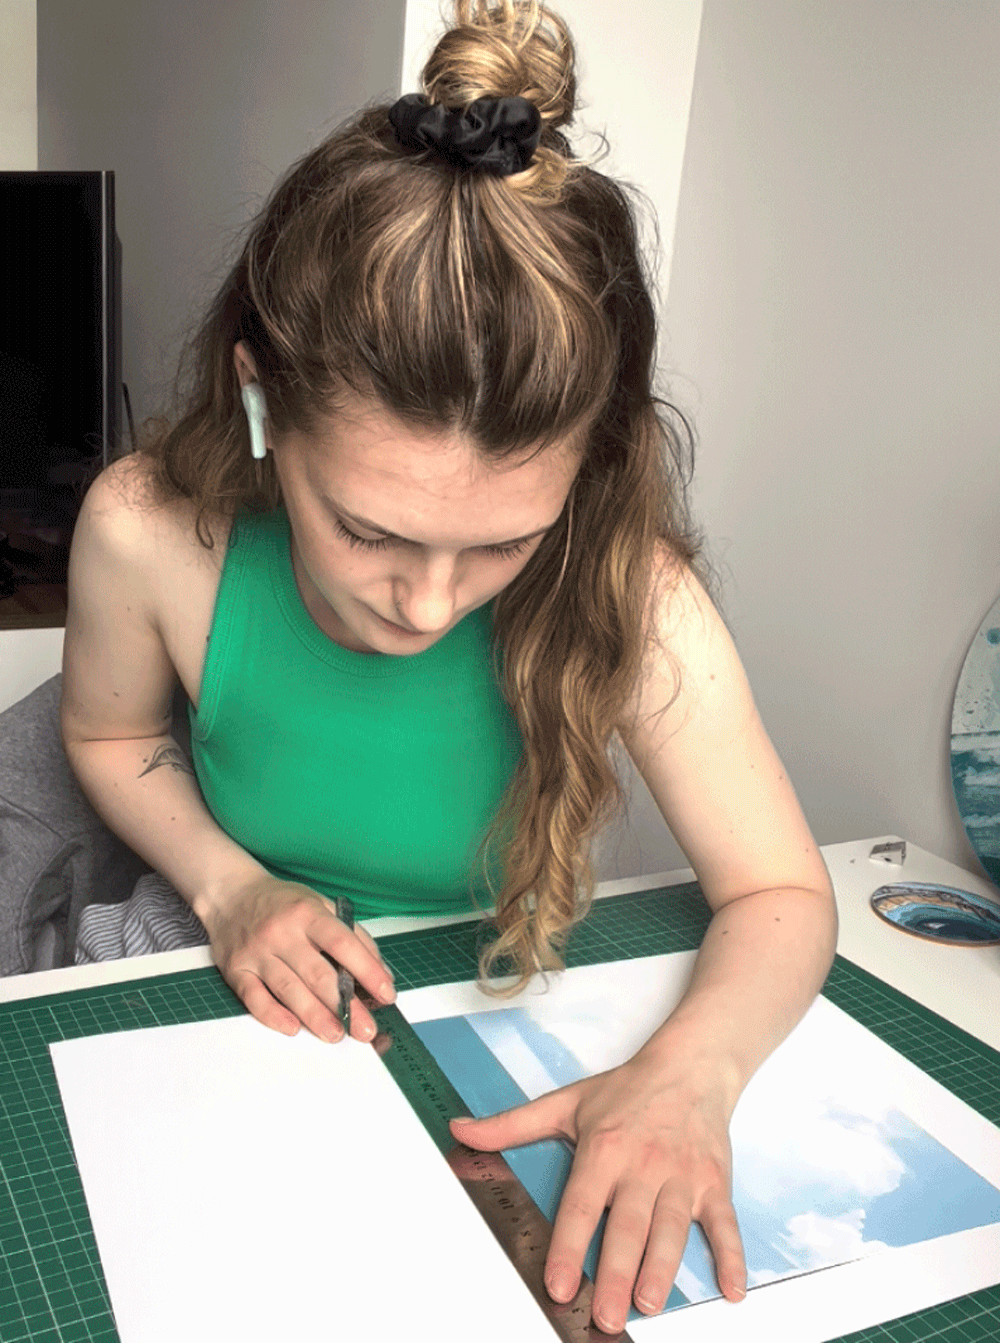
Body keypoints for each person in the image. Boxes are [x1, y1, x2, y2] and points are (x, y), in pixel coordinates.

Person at [61, 1, 838, 1333]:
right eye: (368, 528)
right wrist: (232, 885)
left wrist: (689, 1075)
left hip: (502, 1009)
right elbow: (112, 739)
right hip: (232, 1017)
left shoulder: (633, 590)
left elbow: (778, 887)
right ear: (259, 402)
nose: (425, 604)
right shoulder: (146, 527)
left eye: (502, 545)